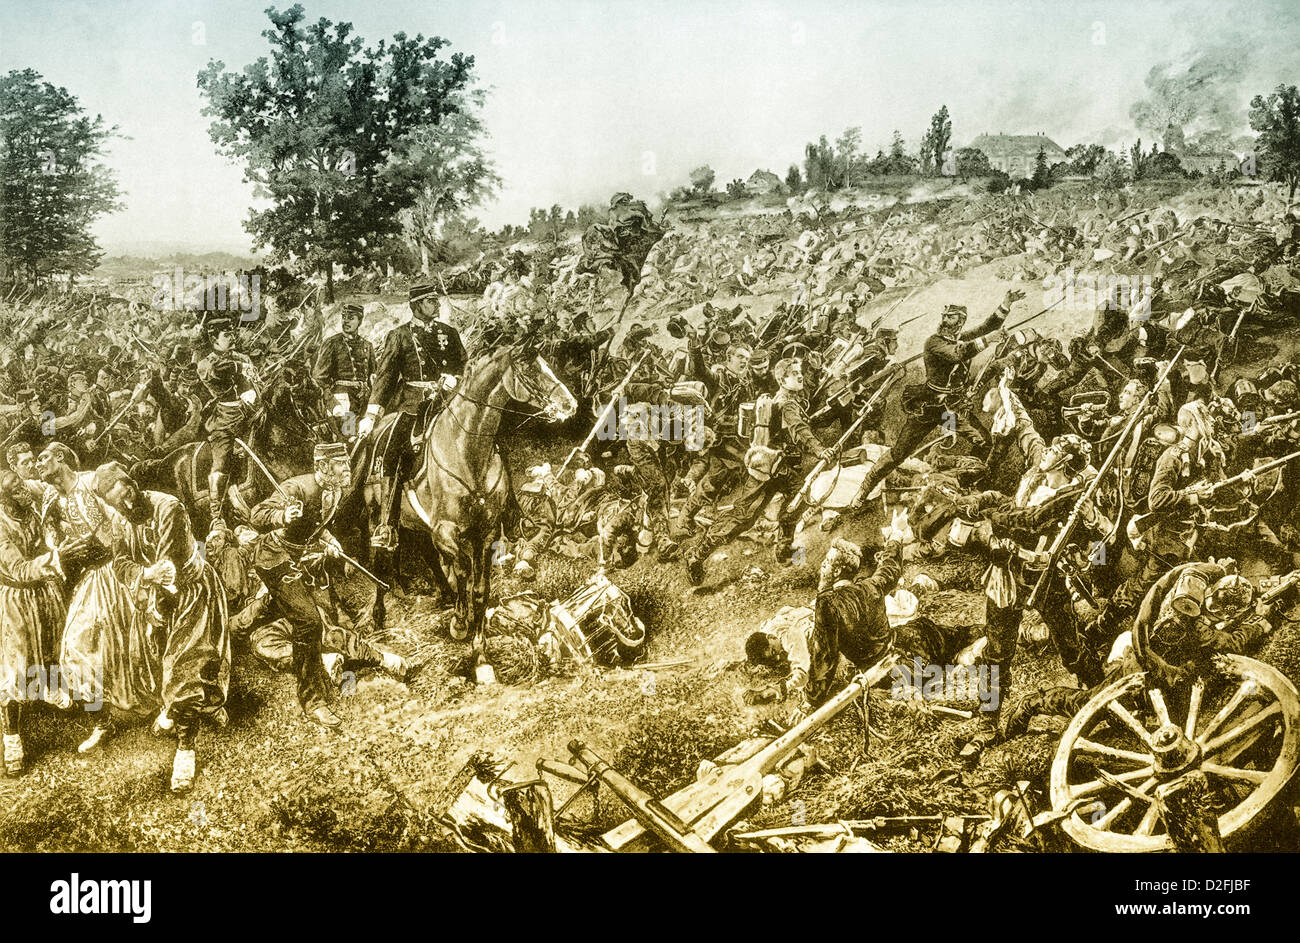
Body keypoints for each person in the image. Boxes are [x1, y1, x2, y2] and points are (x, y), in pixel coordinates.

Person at [77, 462, 231, 793]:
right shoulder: (120, 520)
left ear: (132, 484)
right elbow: (120, 563)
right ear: (111, 501)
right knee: (163, 663)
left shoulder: (168, 507)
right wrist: (144, 580)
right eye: (118, 500)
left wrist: (152, 595)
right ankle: (190, 708)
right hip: (155, 597)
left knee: (183, 671)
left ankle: (185, 750)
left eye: (129, 492)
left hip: (191, 594)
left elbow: (167, 564)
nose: (128, 503)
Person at [851, 289, 1025, 508]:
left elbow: (986, 328)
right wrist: (988, 340)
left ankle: (963, 482)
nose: (945, 320)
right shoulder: (933, 342)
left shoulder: (960, 338)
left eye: (951, 317)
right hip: (927, 407)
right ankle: (864, 489)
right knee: (899, 453)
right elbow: (958, 353)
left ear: (960, 321)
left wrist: (1005, 304)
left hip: (950, 410)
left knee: (982, 441)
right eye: (944, 316)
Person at [686, 357, 831, 585]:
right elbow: (799, 430)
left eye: (799, 371)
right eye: (793, 373)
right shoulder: (787, 403)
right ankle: (696, 555)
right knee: (743, 518)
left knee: (798, 497)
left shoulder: (792, 398)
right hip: (768, 468)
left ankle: (784, 549)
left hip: (782, 467)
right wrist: (819, 449)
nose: (800, 375)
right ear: (782, 380)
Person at [247, 442, 355, 729]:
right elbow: (257, 515)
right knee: (308, 622)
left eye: (346, 463)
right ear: (322, 467)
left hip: (298, 557)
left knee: (320, 616)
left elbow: (315, 524)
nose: (347, 469)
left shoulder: (334, 491)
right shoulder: (295, 488)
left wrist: (329, 541)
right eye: (340, 464)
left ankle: (318, 671)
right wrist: (281, 516)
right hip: (274, 559)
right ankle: (313, 702)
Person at [356, 283, 467, 551]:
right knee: (394, 453)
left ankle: (507, 515)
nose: (436, 304)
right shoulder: (400, 336)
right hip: (413, 406)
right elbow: (384, 378)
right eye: (430, 301)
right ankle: (387, 526)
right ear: (416, 305)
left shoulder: (449, 333)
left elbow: (464, 364)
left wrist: (456, 377)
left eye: (435, 300)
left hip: (448, 403)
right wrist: (372, 414)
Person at [0, 470, 67, 775]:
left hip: (42, 592)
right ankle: (12, 739)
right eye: (17, 491)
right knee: (14, 669)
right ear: (5, 498)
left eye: (23, 487)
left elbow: (42, 545)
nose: (25, 493)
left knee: (53, 645)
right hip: (15, 598)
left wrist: (54, 543)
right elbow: (20, 568)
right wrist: (55, 557)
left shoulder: (31, 513)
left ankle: (51, 692)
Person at [196, 317, 258, 526]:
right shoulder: (206, 364)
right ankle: (216, 514)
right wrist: (241, 367)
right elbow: (219, 371)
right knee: (221, 460)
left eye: (233, 334)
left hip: (250, 413)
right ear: (214, 339)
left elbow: (253, 381)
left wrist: (252, 392)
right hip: (225, 419)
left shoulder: (243, 357)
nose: (232, 338)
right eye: (227, 335)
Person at [312, 302, 376, 438]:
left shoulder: (367, 345)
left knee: (369, 437)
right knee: (349, 438)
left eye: (351, 318)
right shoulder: (332, 343)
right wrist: (333, 404)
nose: (346, 321)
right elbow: (319, 379)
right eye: (344, 317)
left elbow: (373, 377)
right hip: (344, 403)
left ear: (360, 321)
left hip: (365, 401)